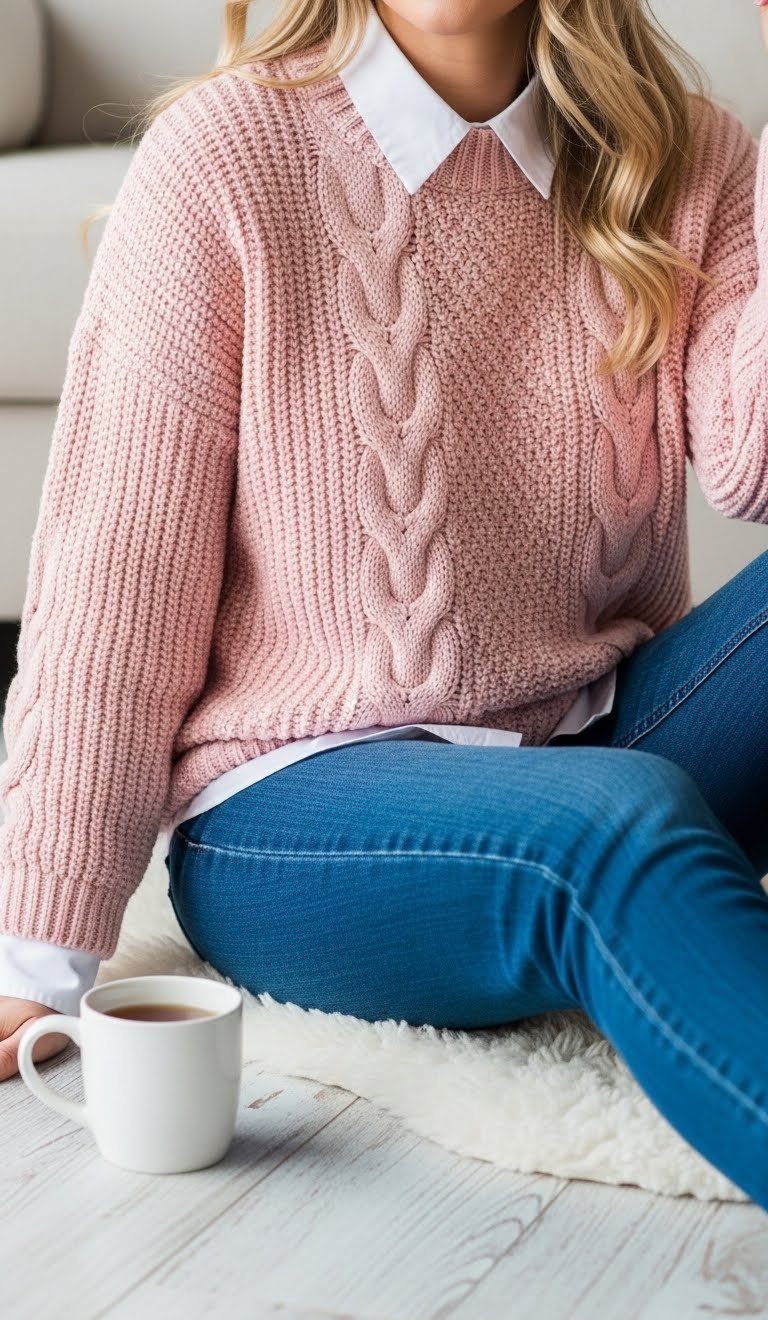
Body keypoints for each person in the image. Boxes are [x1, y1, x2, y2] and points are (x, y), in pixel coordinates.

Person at [0, 0, 767, 1209]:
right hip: (294, 812)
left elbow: (754, 465)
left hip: (594, 728)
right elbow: (114, 584)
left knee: (612, 799)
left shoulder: (685, 156)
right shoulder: (227, 155)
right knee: (615, 825)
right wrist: (38, 954)